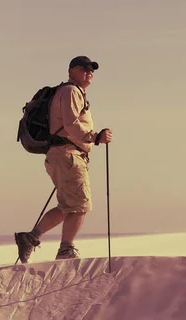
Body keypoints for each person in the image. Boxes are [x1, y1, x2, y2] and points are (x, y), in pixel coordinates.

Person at [15, 56, 113, 263]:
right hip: (67, 155)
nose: (89, 71)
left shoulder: (71, 92)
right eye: (83, 68)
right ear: (71, 71)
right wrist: (95, 138)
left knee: (68, 205)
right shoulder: (70, 92)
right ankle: (66, 249)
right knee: (80, 205)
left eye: (91, 69)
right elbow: (71, 125)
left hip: (62, 155)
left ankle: (30, 238)